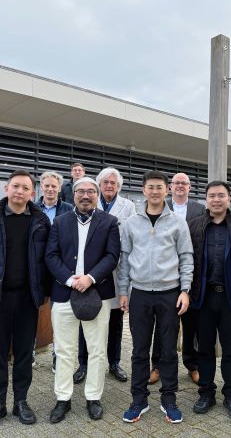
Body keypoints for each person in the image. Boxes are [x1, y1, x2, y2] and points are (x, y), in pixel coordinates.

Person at [0, 170, 51, 432]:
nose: (20, 191)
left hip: (27, 298)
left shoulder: (40, 220)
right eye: (16, 186)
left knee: (24, 353)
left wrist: (46, 291)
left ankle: (21, 402)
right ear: (6, 188)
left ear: (32, 193)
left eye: (25, 188)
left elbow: (47, 259)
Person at [118, 171, 193, 424]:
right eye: (150, 187)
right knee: (139, 350)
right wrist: (123, 291)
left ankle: (169, 399)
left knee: (168, 350)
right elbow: (124, 259)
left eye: (159, 187)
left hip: (169, 294)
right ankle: (138, 399)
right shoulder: (132, 223)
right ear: (144, 190)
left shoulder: (177, 223)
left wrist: (185, 290)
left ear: (167, 190)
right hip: (139, 294)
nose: (155, 191)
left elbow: (186, 257)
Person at [45, 177, 121, 422]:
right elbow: (51, 256)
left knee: (97, 349)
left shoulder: (109, 222)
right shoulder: (59, 222)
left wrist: (90, 278)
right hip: (64, 293)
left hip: (97, 293)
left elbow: (112, 256)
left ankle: (93, 397)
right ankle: (63, 399)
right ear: (73, 194)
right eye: (81, 191)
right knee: (64, 350)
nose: (86, 195)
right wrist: (70, 280)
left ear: (97, 195)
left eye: (91, 191)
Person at [188, 181, 231, 418]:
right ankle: (206, 393)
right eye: (212, 195)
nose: (216, 199)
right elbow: (187, 260)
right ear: (206, 199)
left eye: (221, 195)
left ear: (228, 199)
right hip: (203, 298)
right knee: (204, 348)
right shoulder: (194, 226)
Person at [73, 167, 135, 385]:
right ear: (99, 186)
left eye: (113, 183)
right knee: (86, 317)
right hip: (90, 272)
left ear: (118, 186)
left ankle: (114, 363)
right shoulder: (89, 202)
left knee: (115, 322)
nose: (109, 186)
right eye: (105, 182)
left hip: (116, 272)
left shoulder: (129, 206)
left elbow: (130, 239)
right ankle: (83, 363)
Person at [149, 172, 205, 386]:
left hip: (192, 272)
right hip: (165, 273)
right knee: (162, 324)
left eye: (185, 183)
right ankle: (157, 365)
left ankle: (192, 365)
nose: (180, 186)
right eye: (176, 183)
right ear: (170, 187)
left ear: (190, 187)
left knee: (191, 324)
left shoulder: (200, 209)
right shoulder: (161, 206)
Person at [36, 171, 74, 372]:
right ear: (41, 187)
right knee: (33, 313)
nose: (50, 189)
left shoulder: (69, 209)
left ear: (59, 188)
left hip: (60, 269)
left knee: (60, 316)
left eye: (54, 186)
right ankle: (29, 353)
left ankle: (57, 357)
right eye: (47, 185)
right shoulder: (32, 208)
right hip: (37, 269)